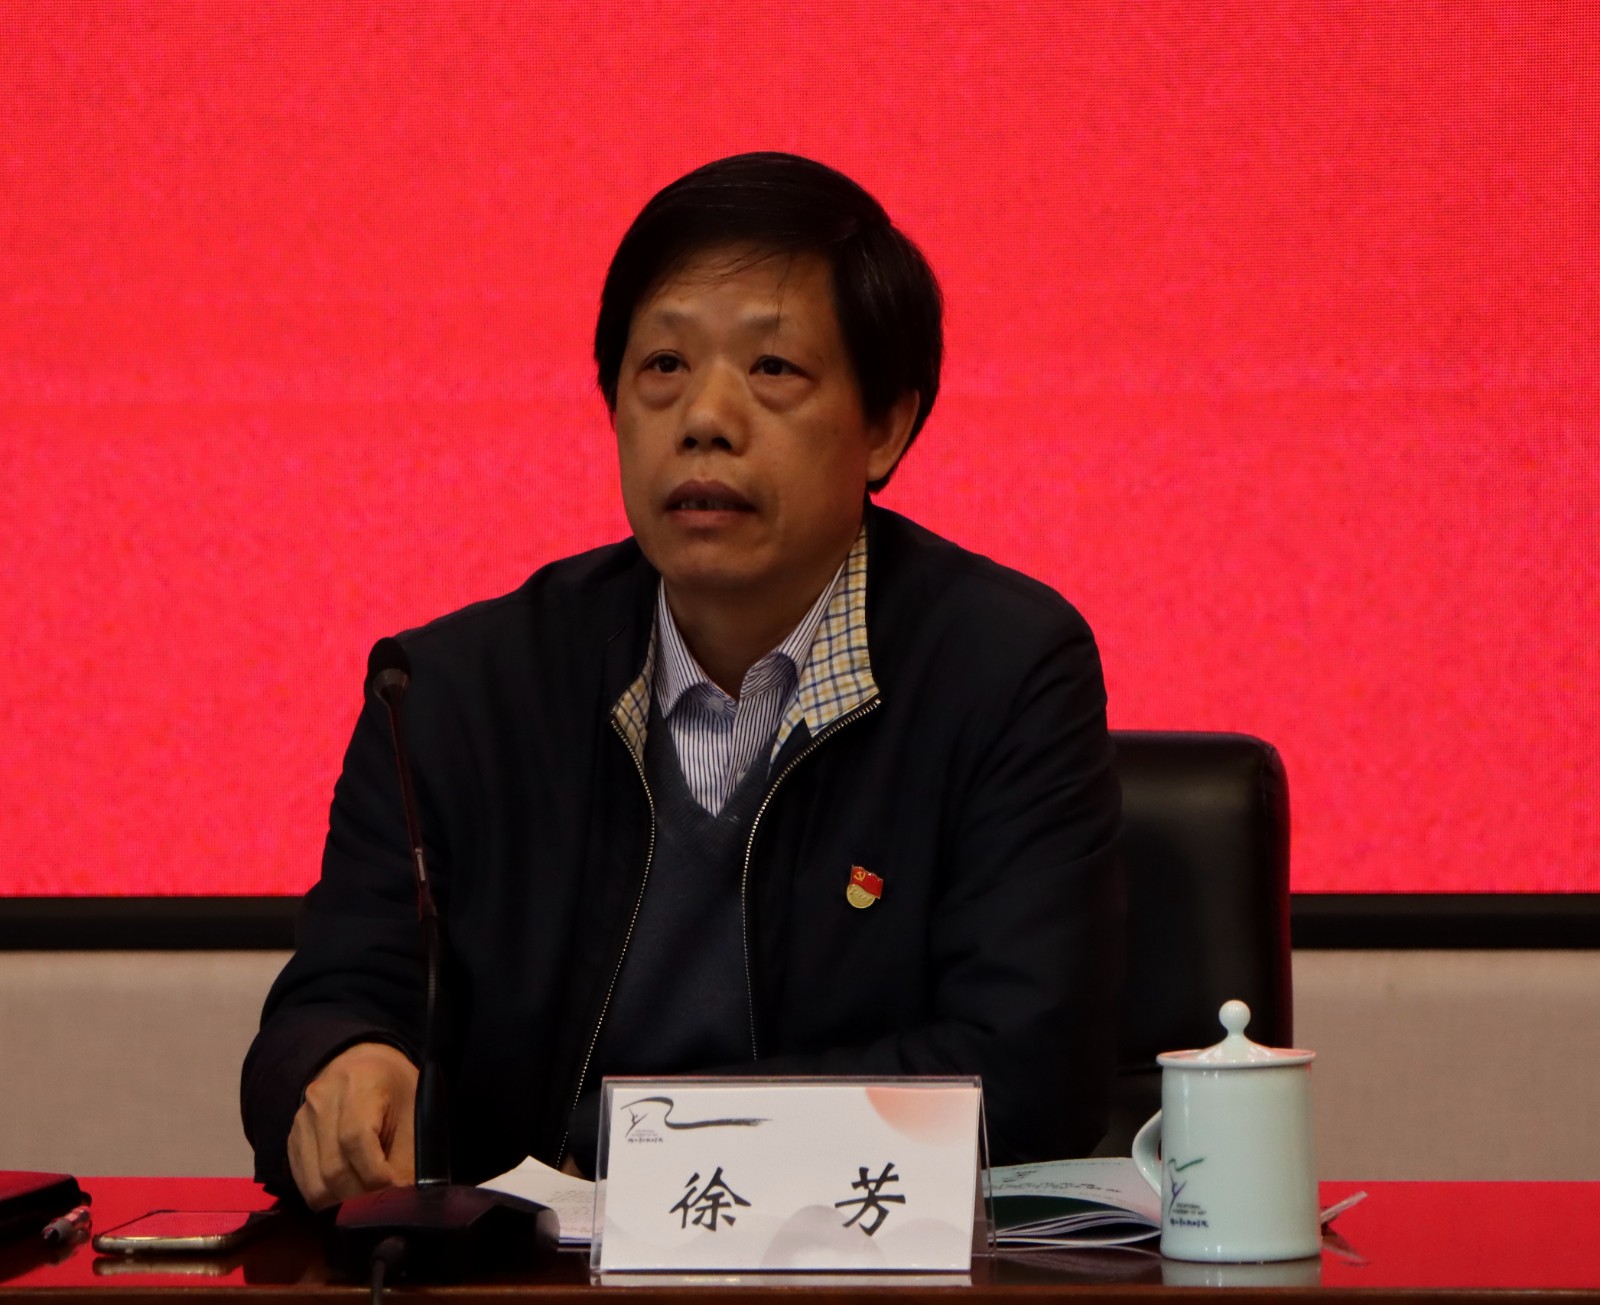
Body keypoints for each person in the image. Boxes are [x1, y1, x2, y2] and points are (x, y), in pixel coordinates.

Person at [242, 152, 1122, 1209]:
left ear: (885, 426)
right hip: (526, 1278)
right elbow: (325, 1005)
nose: (704, 417)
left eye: (773, 368)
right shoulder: (453, 692)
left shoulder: (1000, 672)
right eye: (663, 365)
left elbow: (1022, 1074)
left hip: (856, 1268)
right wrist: (342, 1063)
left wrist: (634, 1144)